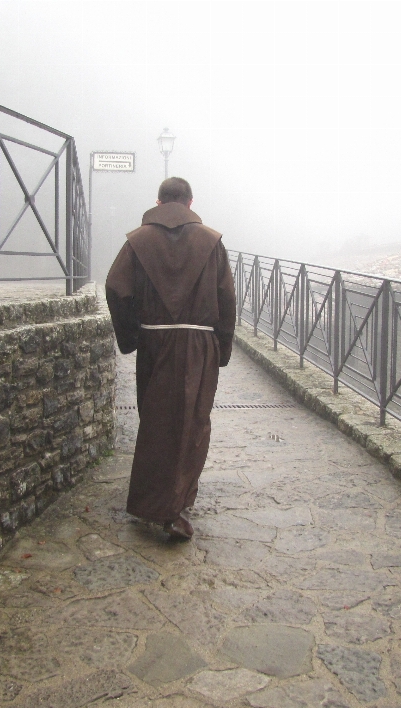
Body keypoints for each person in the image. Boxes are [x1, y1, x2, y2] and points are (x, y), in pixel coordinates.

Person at [105, 177, 236, 539]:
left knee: (157, 421)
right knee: (192, 423)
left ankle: (166, 502)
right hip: (199, 344)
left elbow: (116, 289)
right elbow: (226, 298)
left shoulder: (137, 242)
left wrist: (131, 336)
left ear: (159, 202)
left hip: (155, 341)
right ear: (190, 203)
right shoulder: (212, 242)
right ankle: (171, 508)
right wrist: (222, 349)